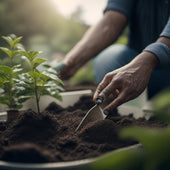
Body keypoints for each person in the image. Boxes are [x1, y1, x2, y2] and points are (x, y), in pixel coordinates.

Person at [58, 0, 170, 113]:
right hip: (145, 67)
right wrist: (71, 60)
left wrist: (149, 59)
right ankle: (134, 107)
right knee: (107, 60)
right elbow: (109, 23)